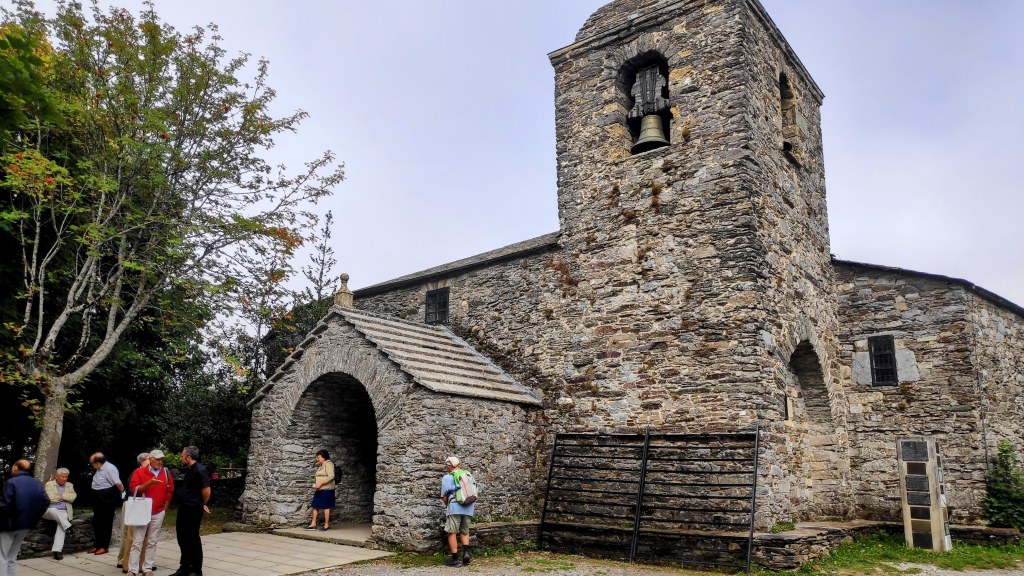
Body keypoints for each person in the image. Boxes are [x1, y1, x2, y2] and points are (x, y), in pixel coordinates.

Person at [127, 449, 174, 576]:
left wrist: (166, 505)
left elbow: (170, 489)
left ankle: (147, 568)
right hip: (142, 510)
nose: (160, 461)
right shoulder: (140, 471)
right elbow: (134, 489)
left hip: (158, 511)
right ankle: (133, 570)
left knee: (152, 541)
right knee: (137, 541)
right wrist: (149, 483)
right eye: (158, 459)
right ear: (151, 459)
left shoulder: (165, 471)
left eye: (161, 459)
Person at [1, 459, 49, 575]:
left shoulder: (11, 482)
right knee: (12, 557)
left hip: (8, 526)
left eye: (12, 466)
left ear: (16, 467)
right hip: (26, 525)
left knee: (2, 557)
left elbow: (3, 505)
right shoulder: (36, 483)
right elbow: (46, 501)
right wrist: (34, 518)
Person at [170, 446, 210, 576]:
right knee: (182, 537)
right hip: (184, 507)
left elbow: (206, 491)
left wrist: (202, 503)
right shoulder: (189, 470)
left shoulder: (200, 470)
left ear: (188, 457)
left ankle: (196, 570)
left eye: (182, 456)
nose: (181, 458)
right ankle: (184, 566)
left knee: (192, 537)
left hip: (193, 508)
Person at [118, 452, 151, 573]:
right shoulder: (137, 472)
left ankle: (139, 563)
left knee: (142, 537)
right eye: (149, 459)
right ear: (143, 461)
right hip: (135, 506)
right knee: (131, 536)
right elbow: (133, 490)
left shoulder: (147, 472)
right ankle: (127, 564)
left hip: (141, 505)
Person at [439, 456, 474, 567]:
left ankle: (455, 559)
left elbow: (444, 496)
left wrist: (448, 504)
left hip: (455, 507)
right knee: (464, 530)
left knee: (452, 532)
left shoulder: (447, 477)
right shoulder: (468, 474)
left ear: (449, 465)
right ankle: (466, 554)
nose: (446, 468)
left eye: (446, 466)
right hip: (469, 506)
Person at [89, 452, 124, 555]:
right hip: (97, 495)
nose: (92, 466)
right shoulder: (99, 469)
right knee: (96, 520)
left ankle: (104, 546)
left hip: (107, 496)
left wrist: (123, 493)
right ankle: (97, 544)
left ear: (98, 462)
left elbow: (118, 483)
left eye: (92, 463)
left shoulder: (110, 468)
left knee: (106, 521)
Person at [42, 467, 77, 560]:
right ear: (57, 476)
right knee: (54, 511)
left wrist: (61, 496)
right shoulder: (49, 484)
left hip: (64, 511)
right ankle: (69, 526)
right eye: (62, 476)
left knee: (62, 525)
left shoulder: (69, 485)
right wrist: (66, 497)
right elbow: (51, 498)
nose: (65, 479)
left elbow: (73, 497)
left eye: (66, 477)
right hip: (49, 511)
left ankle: (57, 551)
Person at [305, 450, 336, 531]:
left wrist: (321, 483)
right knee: (315, 505)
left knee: (326, 506)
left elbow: (331, 476)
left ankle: (326, 525)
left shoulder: (329, 464)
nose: (317, 459)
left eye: (318, 457)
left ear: (323, 457)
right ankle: (313, 524)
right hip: (319, 489)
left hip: (327, 489)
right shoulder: (321, 466)